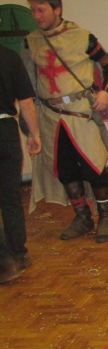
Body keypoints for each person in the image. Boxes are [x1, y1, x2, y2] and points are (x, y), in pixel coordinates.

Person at [24, 0, 108, 243]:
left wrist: (105, 92)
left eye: (41, 10)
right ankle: (82, 217)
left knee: (93, 165)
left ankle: (107, 217)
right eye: (33, 10)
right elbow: (29, 79)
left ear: (57, 9)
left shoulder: (82, 37)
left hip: (80, 113)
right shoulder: (31, 41)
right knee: (65, 169)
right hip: (50, 116)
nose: (36, 16)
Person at [0, 45, 42, 283]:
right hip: (6, 130)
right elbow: (26, 103)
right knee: (11, 198)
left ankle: (3, 264)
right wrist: (34, 134)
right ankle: (18, 255)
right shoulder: (8, 56)